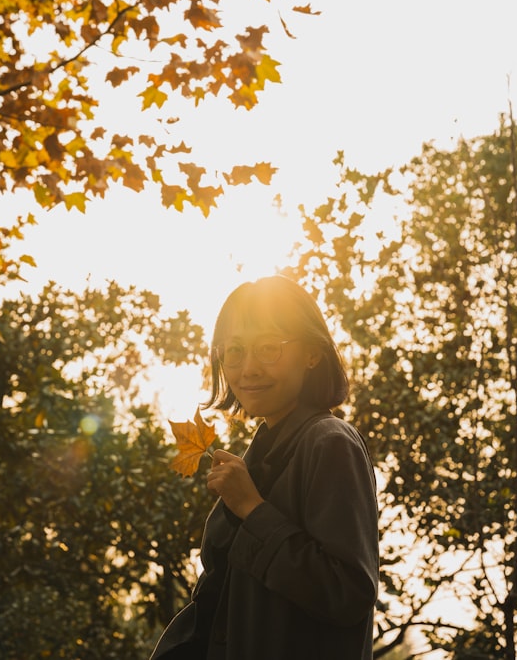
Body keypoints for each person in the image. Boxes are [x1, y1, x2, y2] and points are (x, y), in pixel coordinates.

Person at [151, 275, 379, 660]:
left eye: (269, 347)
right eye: (234, 351)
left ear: (312, 353)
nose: (248, 369)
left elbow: (348, 594)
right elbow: (215, 605)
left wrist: (253, 511)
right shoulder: (256, 457)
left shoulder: (330, 443)